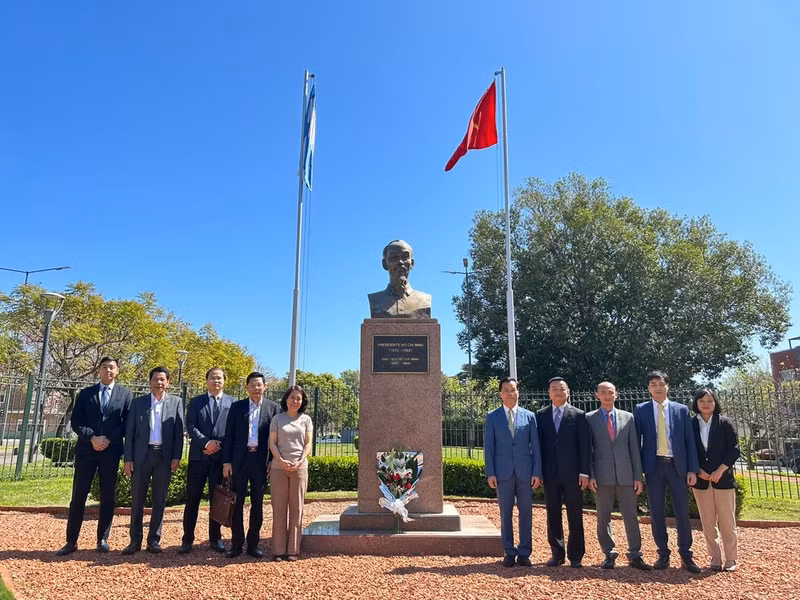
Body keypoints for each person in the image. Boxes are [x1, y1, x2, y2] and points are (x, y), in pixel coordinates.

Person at [57, 357, 133, 555]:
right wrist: (92, 438)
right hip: (86, 452)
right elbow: (76, 421)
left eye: (112, 367)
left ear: (117, 371)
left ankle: (102, 539)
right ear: (98, 371)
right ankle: (71, 541)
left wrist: (107, 439)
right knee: (78, 496)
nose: (108, 370)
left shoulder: (125, 395)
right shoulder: (86, 394)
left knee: (108, 496)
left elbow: (126, 423)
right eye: (104, 367)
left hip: (111, 451)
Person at [633, 370, 701, 572]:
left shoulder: (681, 410)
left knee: (682, 511)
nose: (657, 387)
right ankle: (663, 553)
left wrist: (692, 469)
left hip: (677, 466)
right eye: (653, 384)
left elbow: (690, 441)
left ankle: (686, 554)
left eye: (661, 384)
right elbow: (636, 442)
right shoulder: (641, 409)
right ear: (648, 388)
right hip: (653, 467)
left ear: (667, 386)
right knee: (656, 511)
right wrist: (638, 472)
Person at [586, 381, 650, 570]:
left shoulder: (628, 418)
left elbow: (634, 450)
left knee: (631, 515)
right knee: (603, 516)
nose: (607, 395)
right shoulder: (589, 418)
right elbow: (588, 451)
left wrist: (638, 477)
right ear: (597, 395)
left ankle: (635, 554)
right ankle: (609, 553)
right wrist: (591, 475)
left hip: (626, 476)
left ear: (617, 394)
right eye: (603, 392)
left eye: (610, 392)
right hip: (601, 476)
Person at [122, 366, 184, 555]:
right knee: (137, 500)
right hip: (142, 456)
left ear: (168, 382)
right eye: (156, 379)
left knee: (159, 499)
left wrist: (176, 456)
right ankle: (135, 540)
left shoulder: (176, 402)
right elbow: (129, 433)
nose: (159, 383)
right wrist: (128, 459)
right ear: (150, 382)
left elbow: (178, 433)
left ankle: (154, 540)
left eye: (162, 379)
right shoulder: (138, 403)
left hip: (164, 458)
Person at [484, 377, 542, 567]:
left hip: (526, 473)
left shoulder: (529, 416)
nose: (510, 393)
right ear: (500, 394)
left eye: (513, 389)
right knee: (505, 513)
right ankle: (509, 551)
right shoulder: (492, 417)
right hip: (502, 473)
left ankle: (524, 552)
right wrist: (490, 472)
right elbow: (489, 447)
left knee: (526, 513)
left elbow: (536, 447)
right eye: (506, 390)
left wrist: (537, 472)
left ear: (518, 392)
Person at [222, 371, 280, 559]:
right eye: (252, 384)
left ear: (265, 387)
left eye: (259, 384)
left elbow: (277, 439)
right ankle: (236, 544)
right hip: (240, 460)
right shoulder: (236, 407)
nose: (256, 388)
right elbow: (228, 435)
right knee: (237, 502)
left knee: (258, 503)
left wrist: (272, 460)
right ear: (247, 387)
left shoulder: (274, 408)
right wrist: (226, 461)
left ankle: (253, 544)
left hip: (260, 461)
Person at [179, 367, 235, 554]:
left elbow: (234, 430)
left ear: (224, 381)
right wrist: (206, 443)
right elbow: (191, 425)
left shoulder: (232, 403)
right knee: (192, 499)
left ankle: (215, 538)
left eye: (219, 378)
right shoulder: (196, 402)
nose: (216, 381)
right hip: (198, 457)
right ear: (207, 380)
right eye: (212, 378)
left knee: (217, 500)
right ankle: (187, 540)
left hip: (220, 459)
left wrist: (218, 444)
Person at [537, 377, 590, 568]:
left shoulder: (578, 415)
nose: (558, 392)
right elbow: (538, 445)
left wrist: (585, 472)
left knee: (575, 514)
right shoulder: (541, 415)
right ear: (548, 392)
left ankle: (576, 556)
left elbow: (585, 446)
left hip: (573, 474)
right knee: (553, 513)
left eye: (562, 389)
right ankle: (557, 553)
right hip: (550, 473)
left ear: (568, 391)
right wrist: (539, 471)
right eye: (554, 389)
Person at [691, 388, 740, 572]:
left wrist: (720, 470)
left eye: (710, 400)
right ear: (696, 403)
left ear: (715, 402)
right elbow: (687, 450)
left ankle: (731, 559)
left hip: (723, 480)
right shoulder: (691, 424)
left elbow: (734, 449)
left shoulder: (725, 423)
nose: (706, 404)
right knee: (707, 521)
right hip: (701, 480)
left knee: (727, 521)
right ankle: (715, 558)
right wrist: (697, 470)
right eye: (702, 400)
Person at [268, 385, 313, 561]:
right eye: (292, 397)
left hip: (299, 468)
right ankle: (278, 550)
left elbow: (308, 443)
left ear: (302, 402)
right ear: (286, 399)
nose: (295, 401)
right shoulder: (277, 419)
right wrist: (281, 461)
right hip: (279, 468)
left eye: (299, 398)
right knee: (279, 508)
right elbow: (272, 443)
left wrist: (301, 460)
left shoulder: (306, 420)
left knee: (297, 509)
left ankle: (293, 549)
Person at [368, 239, 432, 318]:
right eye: (394, 257)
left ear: (412, 263)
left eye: (405, 257)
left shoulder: (424, 300)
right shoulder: (376, 300)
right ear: (385, 264)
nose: (400, 262)